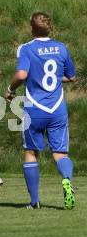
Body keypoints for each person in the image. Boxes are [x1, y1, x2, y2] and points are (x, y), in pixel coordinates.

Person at [5, 12, 76, 209]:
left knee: (30, 152)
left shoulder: (26, 48)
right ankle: (67, 180)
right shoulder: (62, 48)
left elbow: (21, 74)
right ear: (50, 28)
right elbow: (71, 77)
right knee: (60, 153)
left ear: (31, 28)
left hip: (35, 108)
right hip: (57, 108)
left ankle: (34, 201)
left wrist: (10, 89)